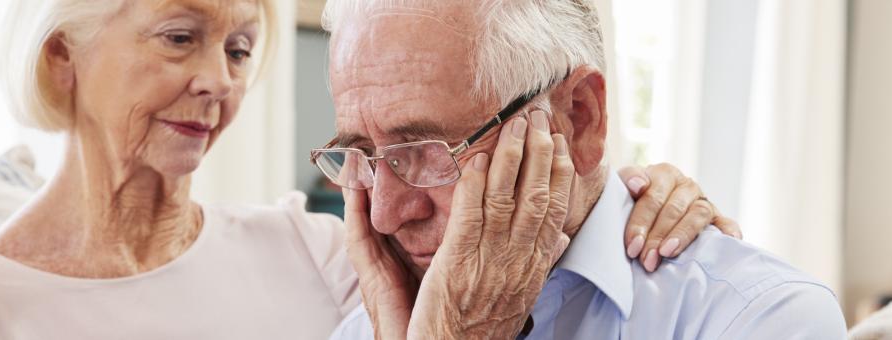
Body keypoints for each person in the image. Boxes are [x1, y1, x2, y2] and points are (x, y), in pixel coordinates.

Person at [0, 0, 733, 338]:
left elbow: (521, 259)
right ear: (63, 58)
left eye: (241, 48)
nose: (220, 80)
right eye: (180, 38)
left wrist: (621, 187)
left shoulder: (322, 251)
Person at [316, 1, 849, 339]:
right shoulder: (369, 329)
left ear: (579, 119)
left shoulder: (760, 318)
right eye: (362, 155)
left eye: (427, 150)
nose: (385, 214)